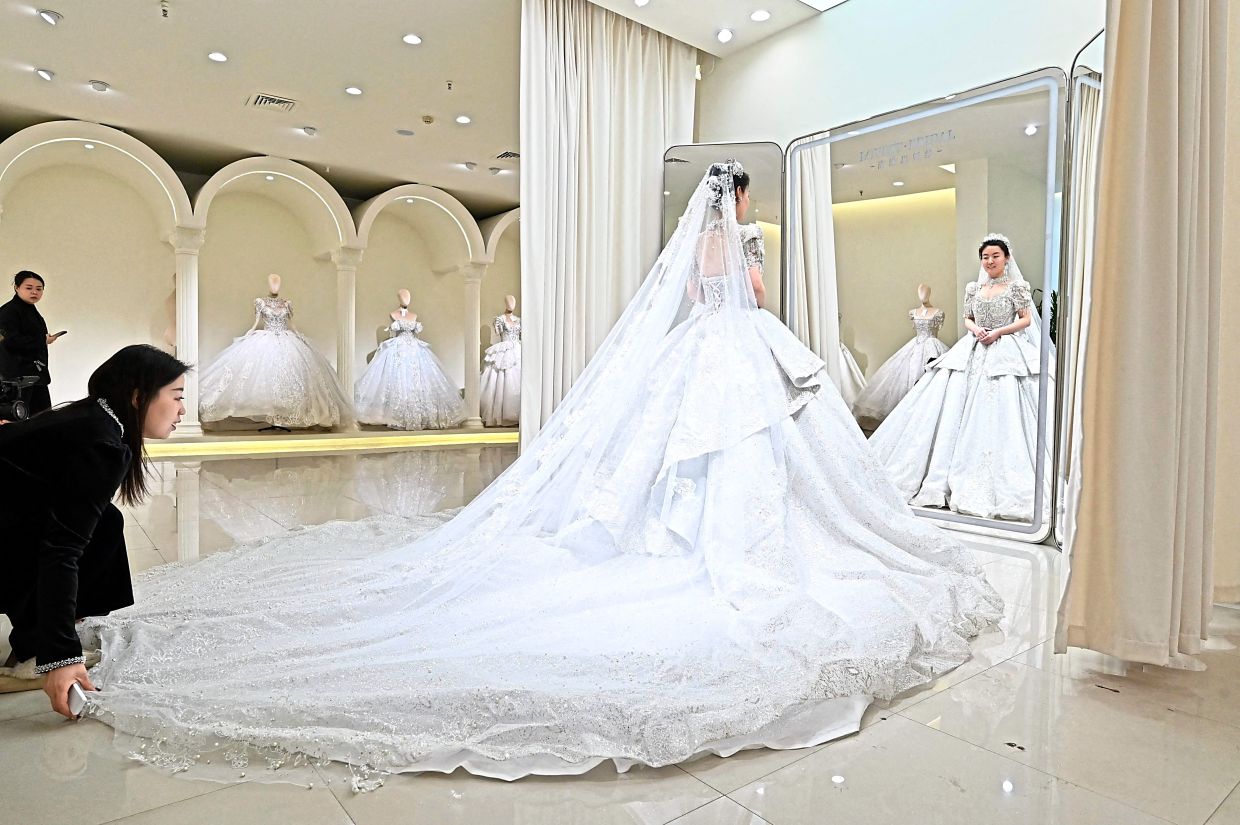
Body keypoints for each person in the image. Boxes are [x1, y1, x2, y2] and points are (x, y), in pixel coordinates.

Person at [82, 163, 1001, 783]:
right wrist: (752, 279)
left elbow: (691, 294)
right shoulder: (741, 247)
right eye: (749, 202)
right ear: (739, 201)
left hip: (712, 353)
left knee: (708, 459)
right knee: (745, 460)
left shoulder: (701, 248)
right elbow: (742, 298)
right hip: (736, 349)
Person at [0, 344, 188, 716]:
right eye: (177, 397)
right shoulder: (101, 442)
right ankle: (35, 651)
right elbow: (60, 550)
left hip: (10, 520)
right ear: (138, 397)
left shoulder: (94, 419)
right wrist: (60, 656)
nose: (183, 410)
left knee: (105, 521)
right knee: (73, 536)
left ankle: (50, 625)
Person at [869, 235, 1047, 520]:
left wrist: (998, 332)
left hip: (1005, 348)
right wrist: (976, 330)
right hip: (973, 346)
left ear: (1006, 258)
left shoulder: (1017, 287)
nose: (989, 261)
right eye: (985, 257)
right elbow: (967, 318)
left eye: (995, 256)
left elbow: (1025, 319)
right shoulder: (974, 288)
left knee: (1004, 408)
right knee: (950, 405)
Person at [0, 271, 61, 415]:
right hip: (17, 377)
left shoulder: (29, 310)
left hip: (34, 375)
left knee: (43, 418)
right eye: (29, 288)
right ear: (17, 287)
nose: (34, 292)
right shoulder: (8, 311)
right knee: (14, 418)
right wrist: (42, 340)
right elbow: (9, 341)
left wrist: (43, 339)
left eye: (39, 289)